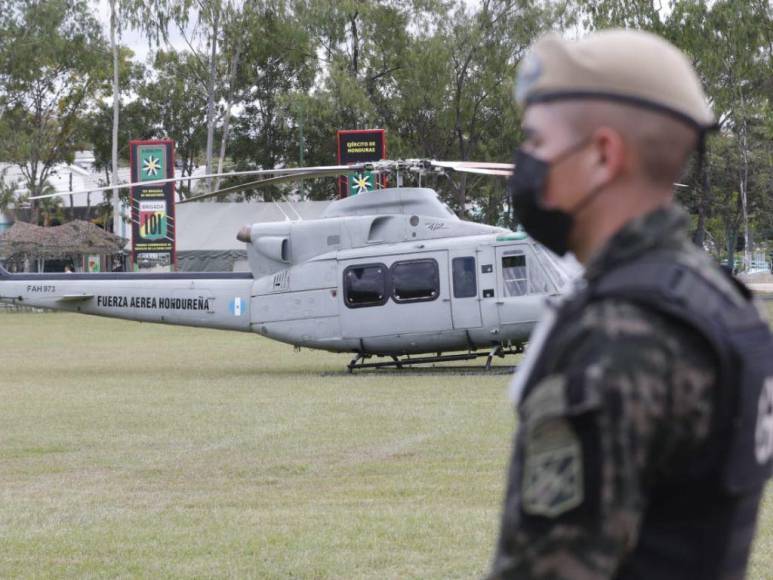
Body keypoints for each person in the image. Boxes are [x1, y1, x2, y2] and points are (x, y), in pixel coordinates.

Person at [489, 29, 773, 579]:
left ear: (601, 155)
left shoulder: (619, 333)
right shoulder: (721, 303)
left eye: (536, 144)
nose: (524, 164)